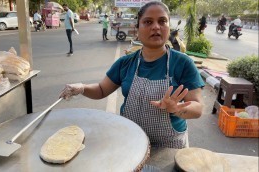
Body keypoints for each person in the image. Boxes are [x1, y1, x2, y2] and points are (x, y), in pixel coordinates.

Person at [59, 1, 204, 149]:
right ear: (137, 29)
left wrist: (176, 108)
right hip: (131, 141)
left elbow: (198, 108)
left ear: (168, 27)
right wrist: (82, 88)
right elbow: (102, 89)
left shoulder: (183, 63)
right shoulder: (125, 63)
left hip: (169, 147)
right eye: (148, 22)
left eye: (162, 21)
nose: (156, 26)